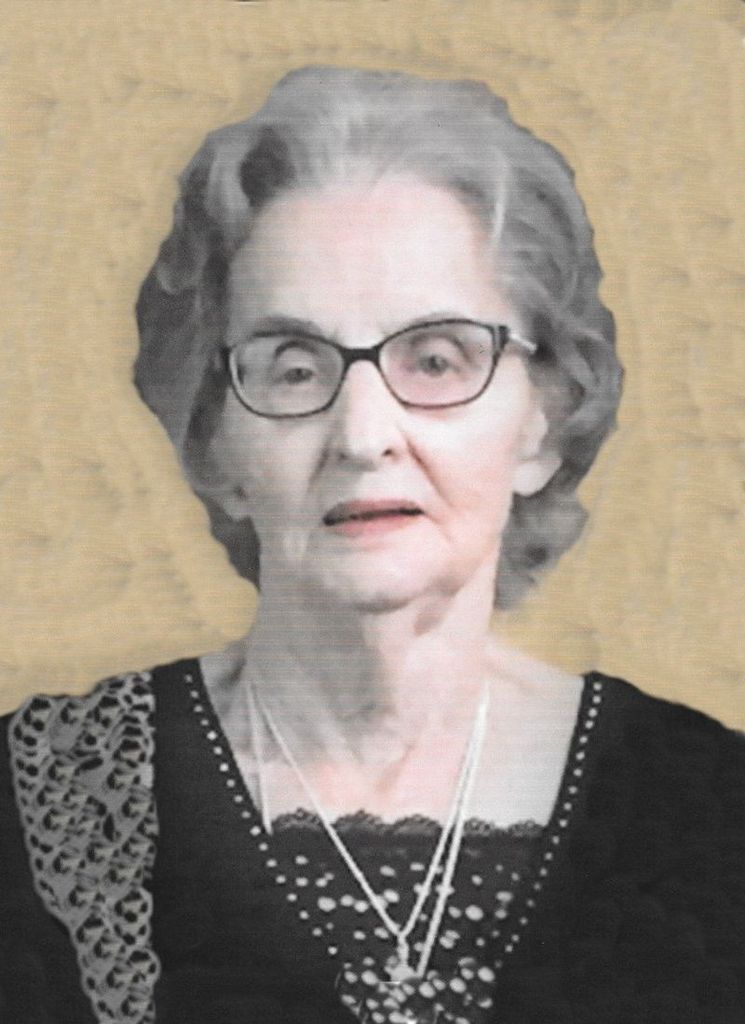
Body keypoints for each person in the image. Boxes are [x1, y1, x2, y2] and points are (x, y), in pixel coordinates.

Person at [1, 65, 743, 1024]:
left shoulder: (712, 812)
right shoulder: (40, 805)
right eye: (292, 367)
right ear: (215, 439)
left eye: (436, 358)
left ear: (544, 423)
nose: (361, 435)